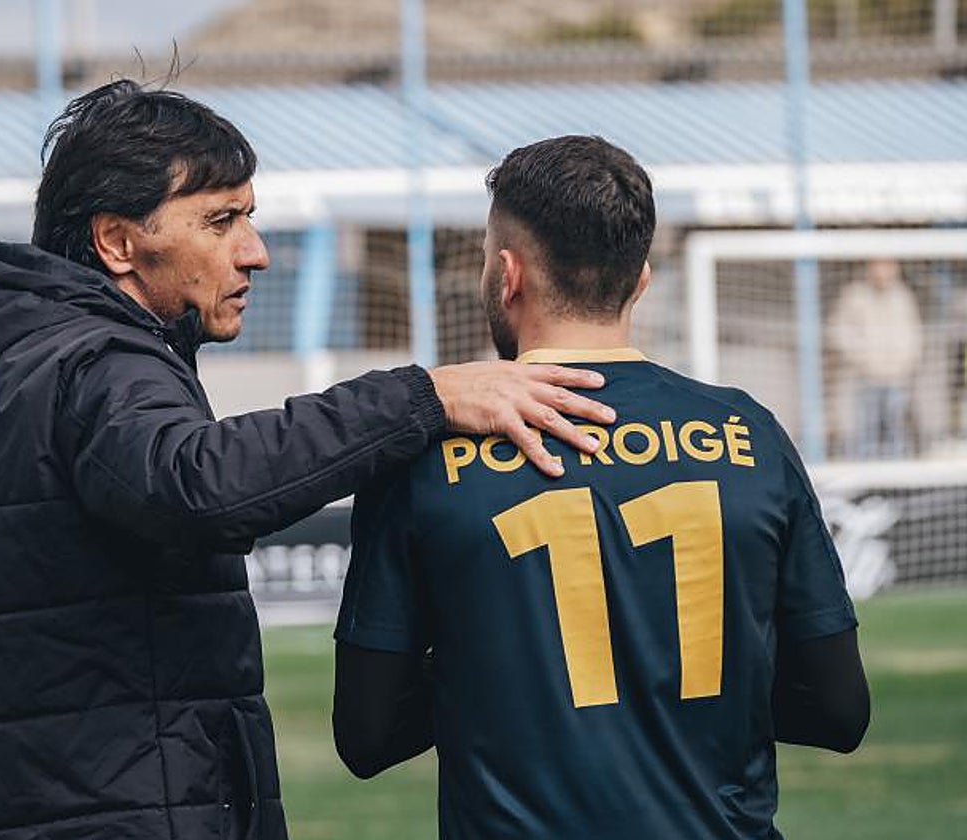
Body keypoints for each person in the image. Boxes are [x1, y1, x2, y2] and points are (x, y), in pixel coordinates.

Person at [0, 82, 616, 840]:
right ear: (117, 243)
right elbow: (196, 482)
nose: (255, 253)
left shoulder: (6, 381)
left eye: (249, 218)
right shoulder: (99, 363)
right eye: (220, 221)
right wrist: (423, 397)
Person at [333, 135, 870, 840]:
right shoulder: (749, 435)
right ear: (639, 280)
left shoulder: (425, 455)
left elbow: (367, 736)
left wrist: (493, 669)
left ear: (507, 275)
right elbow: (839, 710)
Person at [828, 258, 922, 458]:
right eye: (879, 266)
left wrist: (906, 362)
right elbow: (839, 331)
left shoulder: (903, 297)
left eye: (888, 266)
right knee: (865, 429)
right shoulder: (855, 295)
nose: (883, 272)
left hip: (897, 376)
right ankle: (862, 471)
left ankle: (898, 470)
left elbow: (913, 334)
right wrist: (861, 358)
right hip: (865, 375)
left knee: (897, 429)